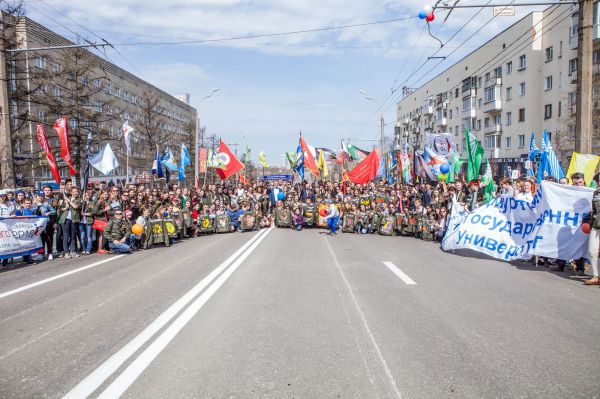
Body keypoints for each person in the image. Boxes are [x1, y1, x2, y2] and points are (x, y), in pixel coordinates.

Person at [583, 173, 600, 286]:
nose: (598, 184)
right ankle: (595, 276)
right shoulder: (596, 193)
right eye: (597, 182)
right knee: (592, 250)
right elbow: (594, 209)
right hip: (596, 225)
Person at [58, 186, 81, 258]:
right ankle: (66, 253)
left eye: (76, 192)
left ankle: (73, 251)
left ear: (78, 192)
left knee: (73, 236)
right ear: (71, 192)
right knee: (65, 236)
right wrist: (66, 207)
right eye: (73, 192)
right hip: (65, 219)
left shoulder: (80, 200)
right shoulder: (66, 199)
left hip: (74, 220)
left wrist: (68, 201)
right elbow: (60, 209)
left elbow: (75, 207)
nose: (75, 193)